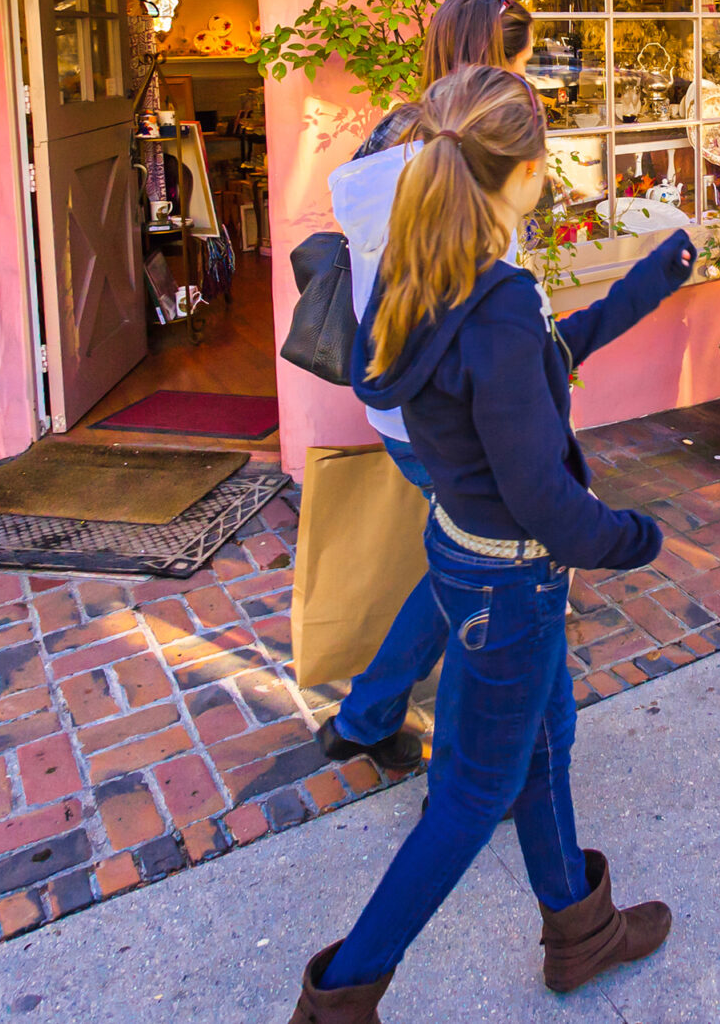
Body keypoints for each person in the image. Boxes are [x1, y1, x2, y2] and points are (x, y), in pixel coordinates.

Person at [292, 65, 695, 1020]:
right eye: (544, 155)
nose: (551, 172)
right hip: (511, 584)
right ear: (515, 171)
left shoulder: (423, 278)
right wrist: (637, 537)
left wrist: (657, 273)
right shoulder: (496, 300)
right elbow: (547, 501)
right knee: (471, 797)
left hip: (466, 557)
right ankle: (340, 999)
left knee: (546, 746)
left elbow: (547, 358)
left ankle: (581, 934)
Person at [315, 0, 536, 774]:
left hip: (397, 388)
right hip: (462, 403)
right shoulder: (490, 141)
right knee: (485, 567)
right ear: (501, 55)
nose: (528, 70)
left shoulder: (389, 133)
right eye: (521, 54)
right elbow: (498, 283)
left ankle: (369, 718)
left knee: (464, 554)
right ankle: (384, 720)